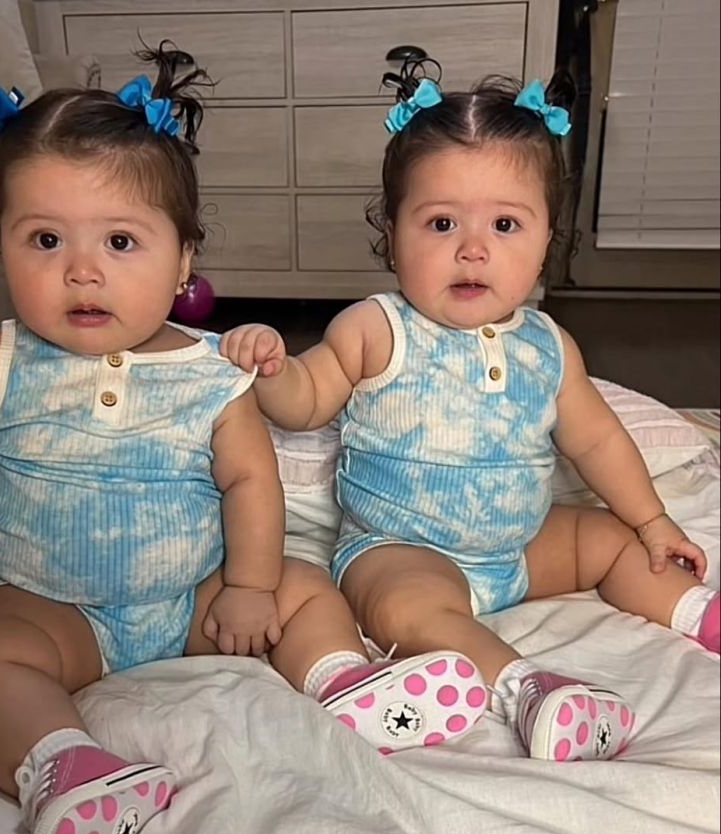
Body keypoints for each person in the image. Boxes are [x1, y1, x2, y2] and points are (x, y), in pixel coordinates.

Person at [0, 44, 408, 834]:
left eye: (120, 241)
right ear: (1, 249)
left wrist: (249, 587)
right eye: (44, 240)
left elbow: (250, 485)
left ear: (183, 259)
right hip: (50, 606)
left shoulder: (210, 372)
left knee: (303, 588)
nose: (81, 270)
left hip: (192, 599)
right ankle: (67, 769)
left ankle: (344, 680)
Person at [221, 61, 720, 766]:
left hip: (520, 549)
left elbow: (599, 441)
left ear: (546, 240)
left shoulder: (547, 344)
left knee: (614, 540)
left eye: (506, 224)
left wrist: (652, 520)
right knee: (403, 608)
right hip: (401, 549)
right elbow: (306, 403)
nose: (473, 249)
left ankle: (701, 613)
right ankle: (527, 689)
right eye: (441, 223)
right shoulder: (377, 328)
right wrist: (274, 370)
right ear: (392, 233)